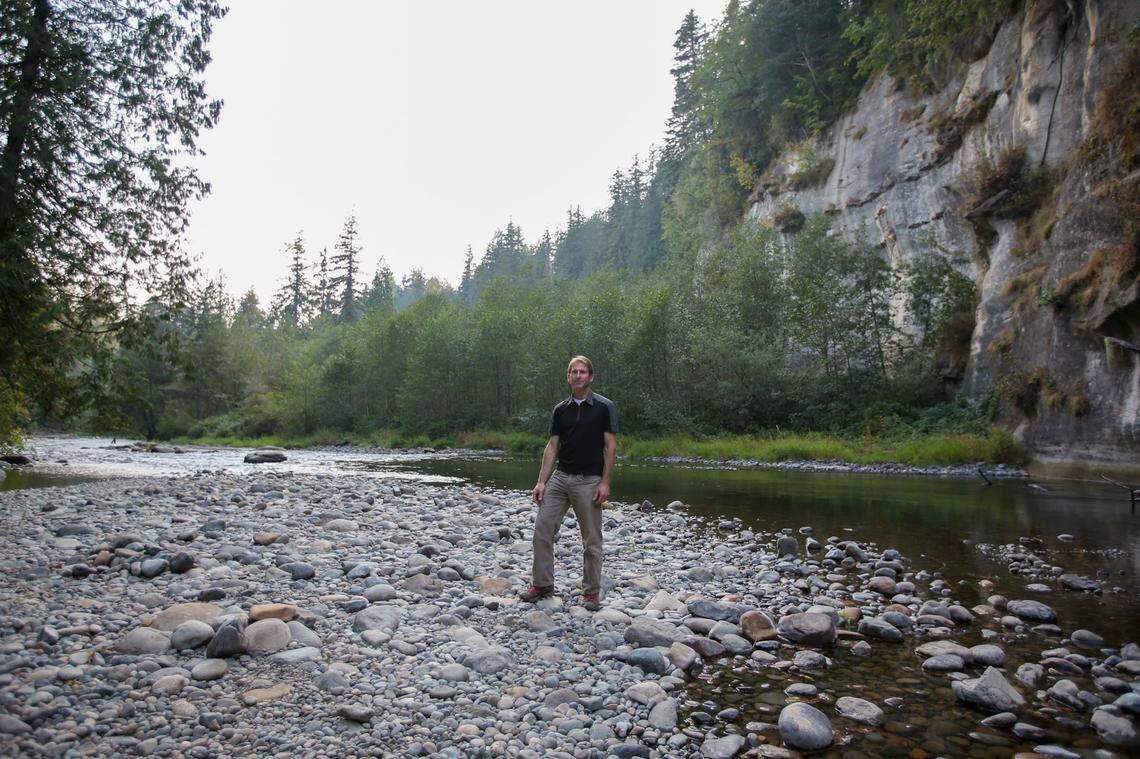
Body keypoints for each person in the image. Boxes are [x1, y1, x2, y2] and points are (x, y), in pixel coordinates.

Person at [521, 355, 617, 611]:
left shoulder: (604, 407)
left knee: (592, 539)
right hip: (561, 478)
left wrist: (605, 483)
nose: (577, 375)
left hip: (589, 481)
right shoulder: (560, 410)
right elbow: (552, 447)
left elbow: (610, 446)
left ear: (591, 376)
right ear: (568, 377)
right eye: (573, 372)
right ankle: (543, 585)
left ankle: (592, 592)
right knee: (542, 529)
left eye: (582, 372)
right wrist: (541, 482)